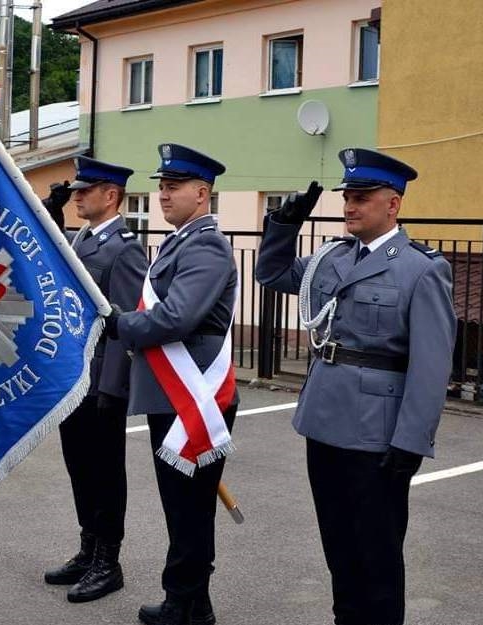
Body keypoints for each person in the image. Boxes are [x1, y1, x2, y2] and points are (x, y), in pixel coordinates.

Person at [256, 148, 456, 625]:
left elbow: (431, 366)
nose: (350, 206)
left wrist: (411, 441)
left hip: (376, 434)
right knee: (339, 550)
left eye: (362, 197)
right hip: (325, 423)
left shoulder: (421, 269)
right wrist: (282, 227)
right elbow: (272, 273)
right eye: (348, 196)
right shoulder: (331, 258)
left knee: (377, 558)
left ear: (393, 204)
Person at [106, 144, 239, 625]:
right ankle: (190, 600)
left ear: (201, 193)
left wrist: (120, 325)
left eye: (173, 187)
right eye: (161, 186)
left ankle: (186, 601)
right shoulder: (181, 240)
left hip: (193, 393)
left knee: (189, 507)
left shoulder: (205, 245)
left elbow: (178, 317)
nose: (162, 195)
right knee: (183, 506)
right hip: (174, 391)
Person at [43, 156, 148, 603]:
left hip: (102, 379)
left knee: (105, 472)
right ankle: (88, 548)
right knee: (79, 467)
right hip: (73, 376)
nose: (79, 195)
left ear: (112, 196)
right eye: (77, 191)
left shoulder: (125, 250)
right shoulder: (81, 239)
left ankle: (109, 560)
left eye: (87, 190)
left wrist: (113, 386)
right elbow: (49, 251)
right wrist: (50, 210)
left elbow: (126, 326)